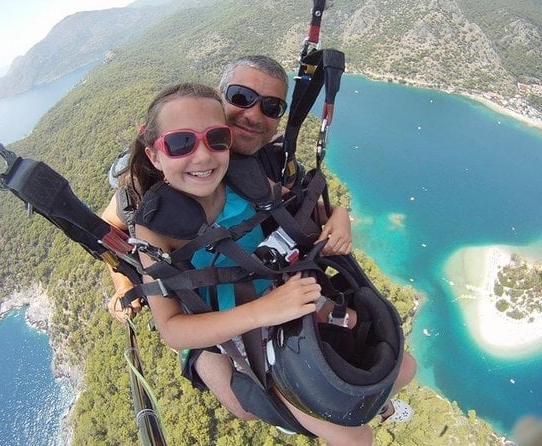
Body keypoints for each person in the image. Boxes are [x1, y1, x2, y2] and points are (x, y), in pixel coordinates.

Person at [127, 82, 415, 444]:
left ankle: (380, 405)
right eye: (181, 143)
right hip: (242, 332)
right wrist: (264, 311)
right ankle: (300, 408)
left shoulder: (244, 182)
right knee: (357, 439)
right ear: (155, 155)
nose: (201, 157)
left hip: (287, 293)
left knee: (403, 369)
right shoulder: (155, 226)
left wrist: (339, 214)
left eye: (216, 139)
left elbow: (303, 210)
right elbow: (172, 329)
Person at [102, 55, 295, 319]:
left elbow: (297, 206)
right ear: (218, 99)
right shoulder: (149, 181)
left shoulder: (270, 163)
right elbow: (109, 226)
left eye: (271, 107)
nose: (253, 115)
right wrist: (122, 281)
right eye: (240, 97)